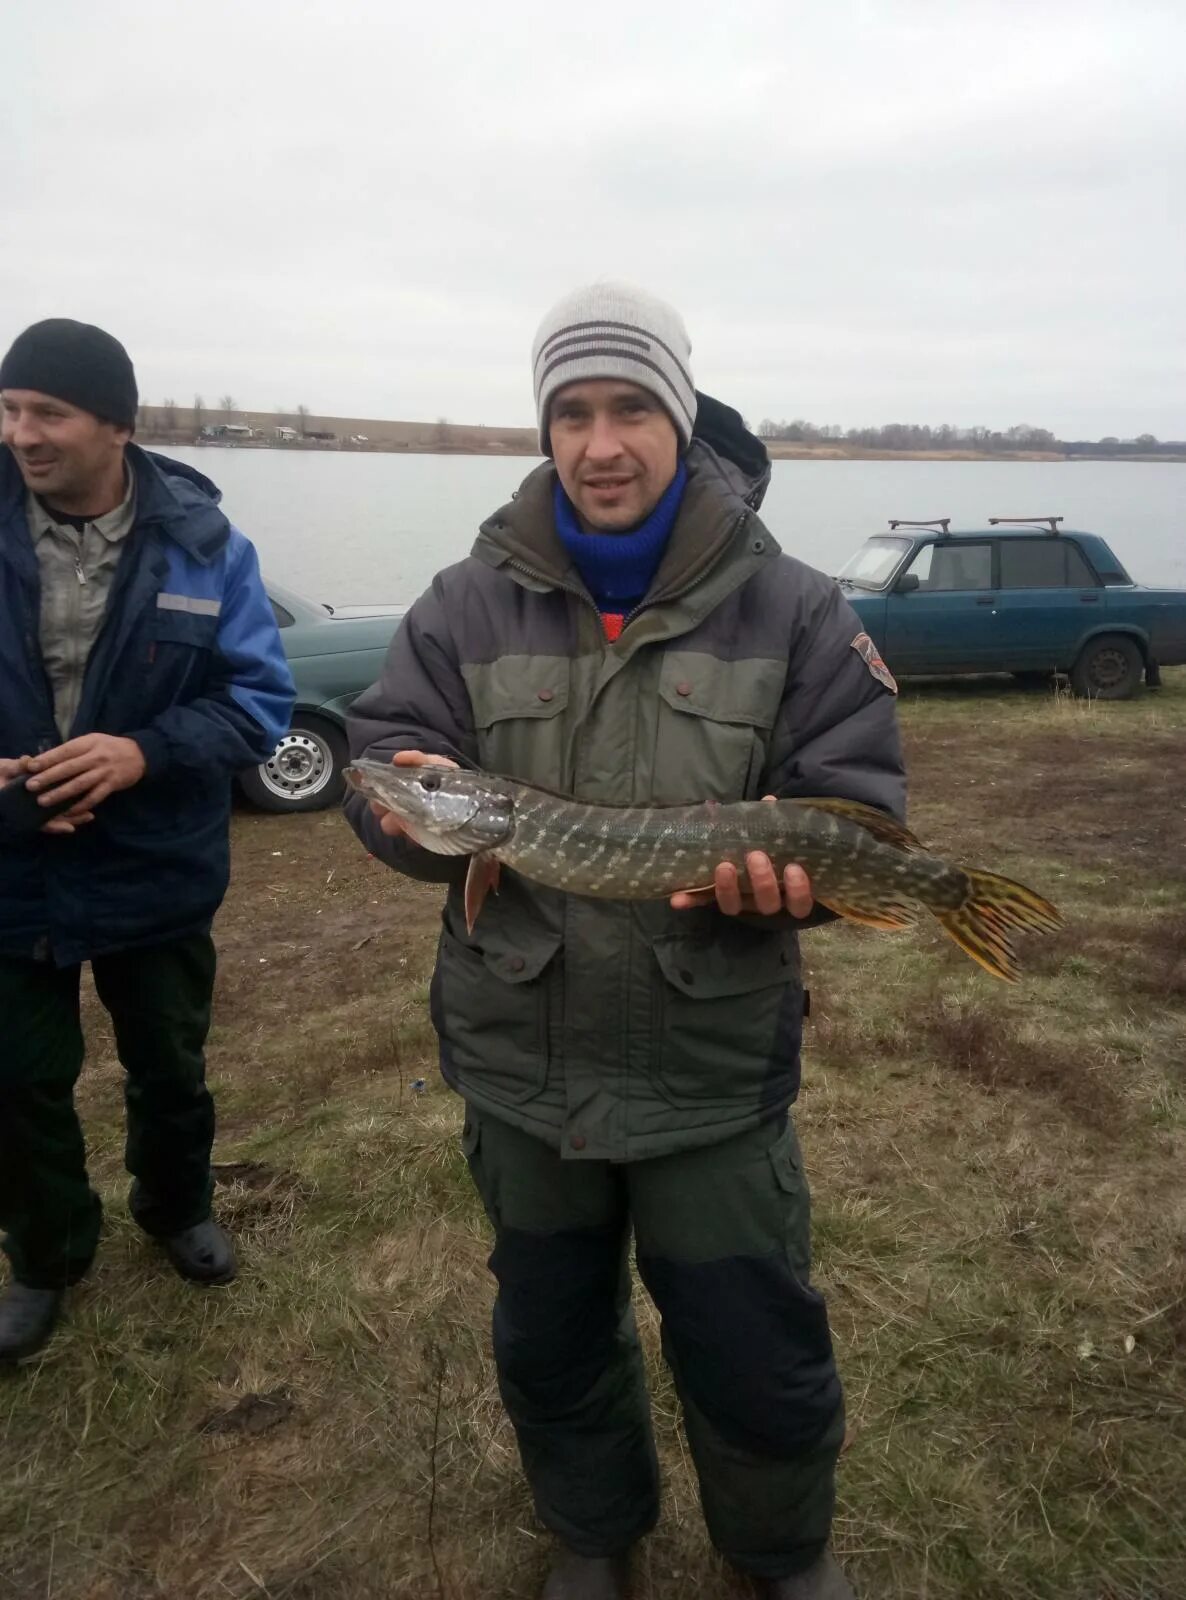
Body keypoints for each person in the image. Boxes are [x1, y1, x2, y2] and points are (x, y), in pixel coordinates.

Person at [344, 284, 905, 1599]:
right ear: (546, 433)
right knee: (549, 1332)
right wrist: (405, 815)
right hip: (520, 1062)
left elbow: (857, 813)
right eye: (572, 414)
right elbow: (387, 767)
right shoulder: (463, 605)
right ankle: (594, 1533)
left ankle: (778, 1553)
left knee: (747, 1337)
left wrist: (804, 890)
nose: (601, 443)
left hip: (707, 1070)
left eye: (631, 409)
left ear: (679, 418)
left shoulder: (795, 608)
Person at [0, 319, 295, 1362]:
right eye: (10, 408)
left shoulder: (206, 548)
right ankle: (44, 1255)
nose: (23, 433)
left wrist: (142, 751)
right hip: (11, 865)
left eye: (49, 412)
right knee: (19, 1079)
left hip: (154, 861)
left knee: (168, 1062)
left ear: (116, 426)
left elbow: (259, 698)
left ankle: (176, 1208)